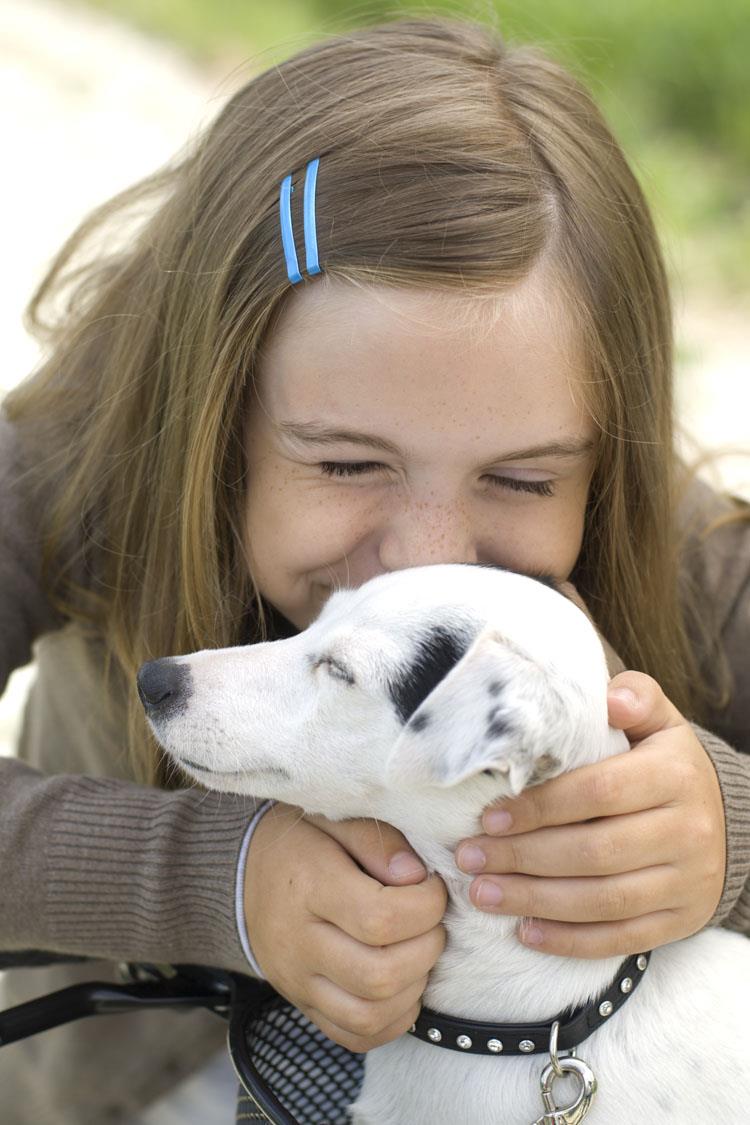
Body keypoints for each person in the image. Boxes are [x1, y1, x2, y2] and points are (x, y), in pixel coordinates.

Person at [1, 15, 748, 1125]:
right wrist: (215, 879)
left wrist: (729, 831)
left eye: (525, 480)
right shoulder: (83, 464)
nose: (427, 553)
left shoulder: (684, 553)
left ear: (610, 449)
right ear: (216, 407)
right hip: (129, 1084)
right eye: (350, 462)